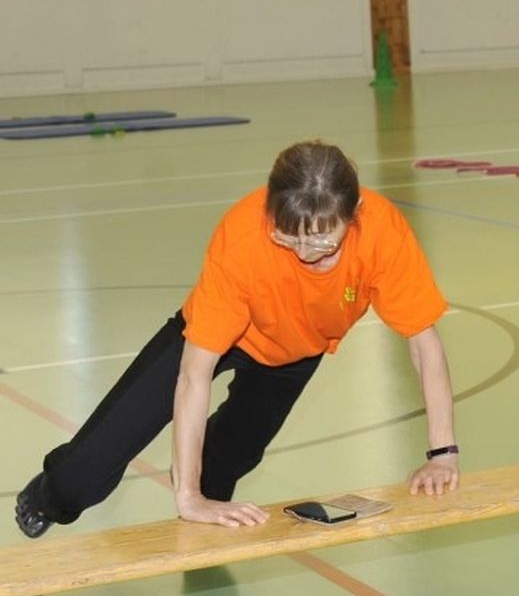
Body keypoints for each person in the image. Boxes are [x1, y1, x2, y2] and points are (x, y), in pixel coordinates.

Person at [13, 141, 461, 538]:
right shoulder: (243, 239)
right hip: (217, 338)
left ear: (354, 212)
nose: (307, 254)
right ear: (271, 213)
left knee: (227, 464)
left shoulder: (383, 232)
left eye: (325, 239)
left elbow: (424, 343)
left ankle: (205, 532)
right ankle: (47, 495)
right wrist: (185, 498)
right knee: (84, 474)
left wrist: (443, 454)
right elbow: (193, 376)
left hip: (291, 354)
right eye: (289, 239)